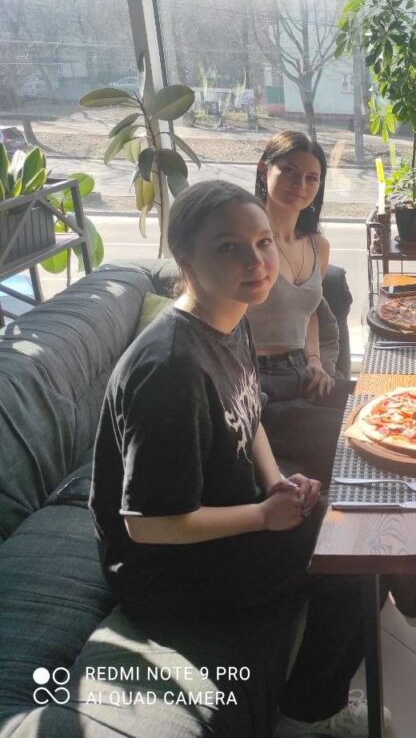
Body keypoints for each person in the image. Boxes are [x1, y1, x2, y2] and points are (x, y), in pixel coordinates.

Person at [89, 180, 379, 737]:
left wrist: (276, 482)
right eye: (229, 247)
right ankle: (310, 715)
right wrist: (263, 517)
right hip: (166, 571)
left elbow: (251, 415)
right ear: (185, 258)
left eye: (264, 242)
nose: (257, 262)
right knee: (359, 555)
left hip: (219, 521)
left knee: (358, 510)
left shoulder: (230, 317)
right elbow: (148, 525)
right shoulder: (170, 370)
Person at [248, 131, 346, 473]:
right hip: (256, 382)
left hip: (300, 373)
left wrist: (315, 363)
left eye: (311, 178)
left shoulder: (318, 245)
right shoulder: (246, 241)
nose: (300, 185)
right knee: (354, 436)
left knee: (376, 407)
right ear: (264, 169)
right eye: (289, 171)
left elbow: (309, 311)